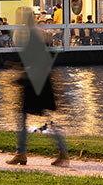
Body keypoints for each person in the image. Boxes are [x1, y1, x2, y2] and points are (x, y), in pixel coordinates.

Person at [7, 12, 69, 167]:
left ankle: (21, 153)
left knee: (24, 119)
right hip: (41, 84)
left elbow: (33, 62)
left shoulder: (31, 37)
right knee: (44, 119)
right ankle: (60, 151)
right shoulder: (37, 36)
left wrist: (18, 70)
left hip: (35, 86)